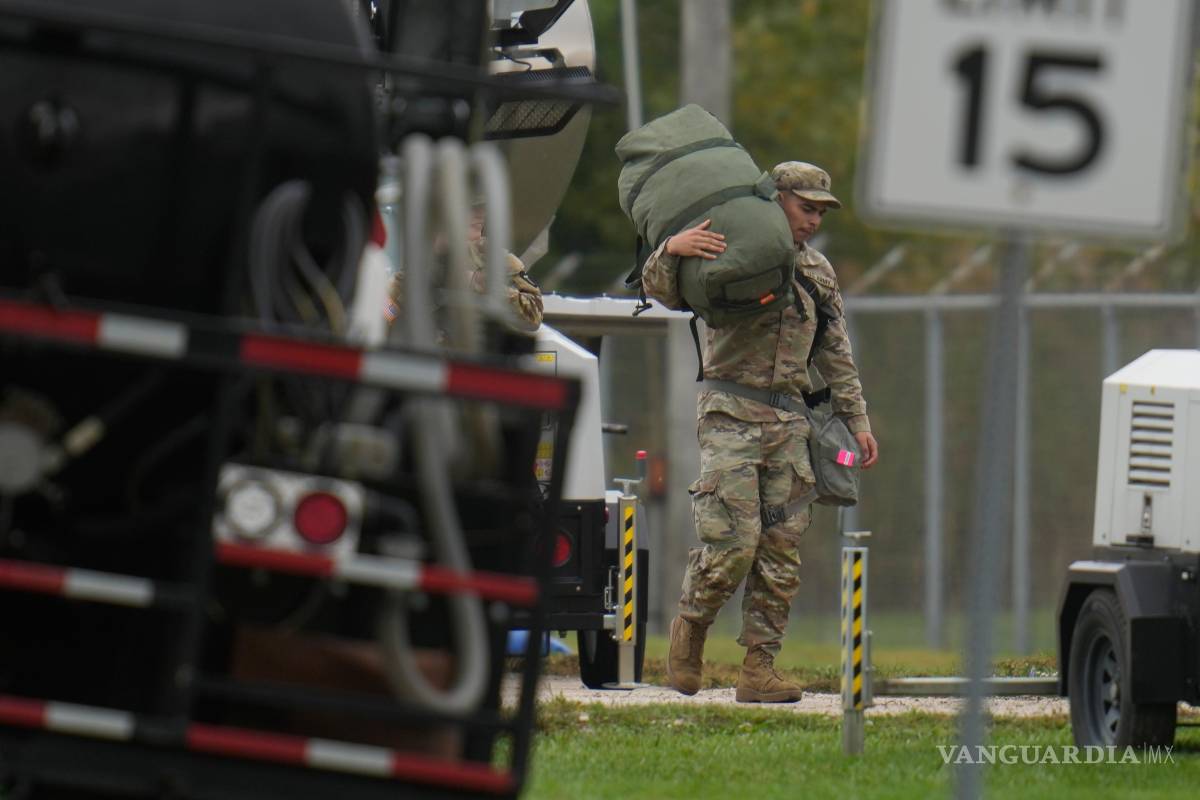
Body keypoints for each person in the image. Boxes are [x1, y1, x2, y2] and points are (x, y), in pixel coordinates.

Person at [641, 161, 879, 703]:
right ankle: (691, 627)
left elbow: (835, 352)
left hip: (791, 422)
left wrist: (857, 420)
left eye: (820, 212)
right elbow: (666, 293)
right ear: (776, 200)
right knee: (733, 540)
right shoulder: (731, 249)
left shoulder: (817, 272)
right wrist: (672, 249)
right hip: (731, 412)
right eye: (805, 207)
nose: (812, 220)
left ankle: (759, 668)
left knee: (780, 550)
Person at [385, 203, 543, 331]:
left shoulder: (497, 259)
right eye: (471, 208)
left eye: (482, 208)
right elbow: (386, 308)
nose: (479, 214)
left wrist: (479, 283)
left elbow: (534, 316)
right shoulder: (423, 264)